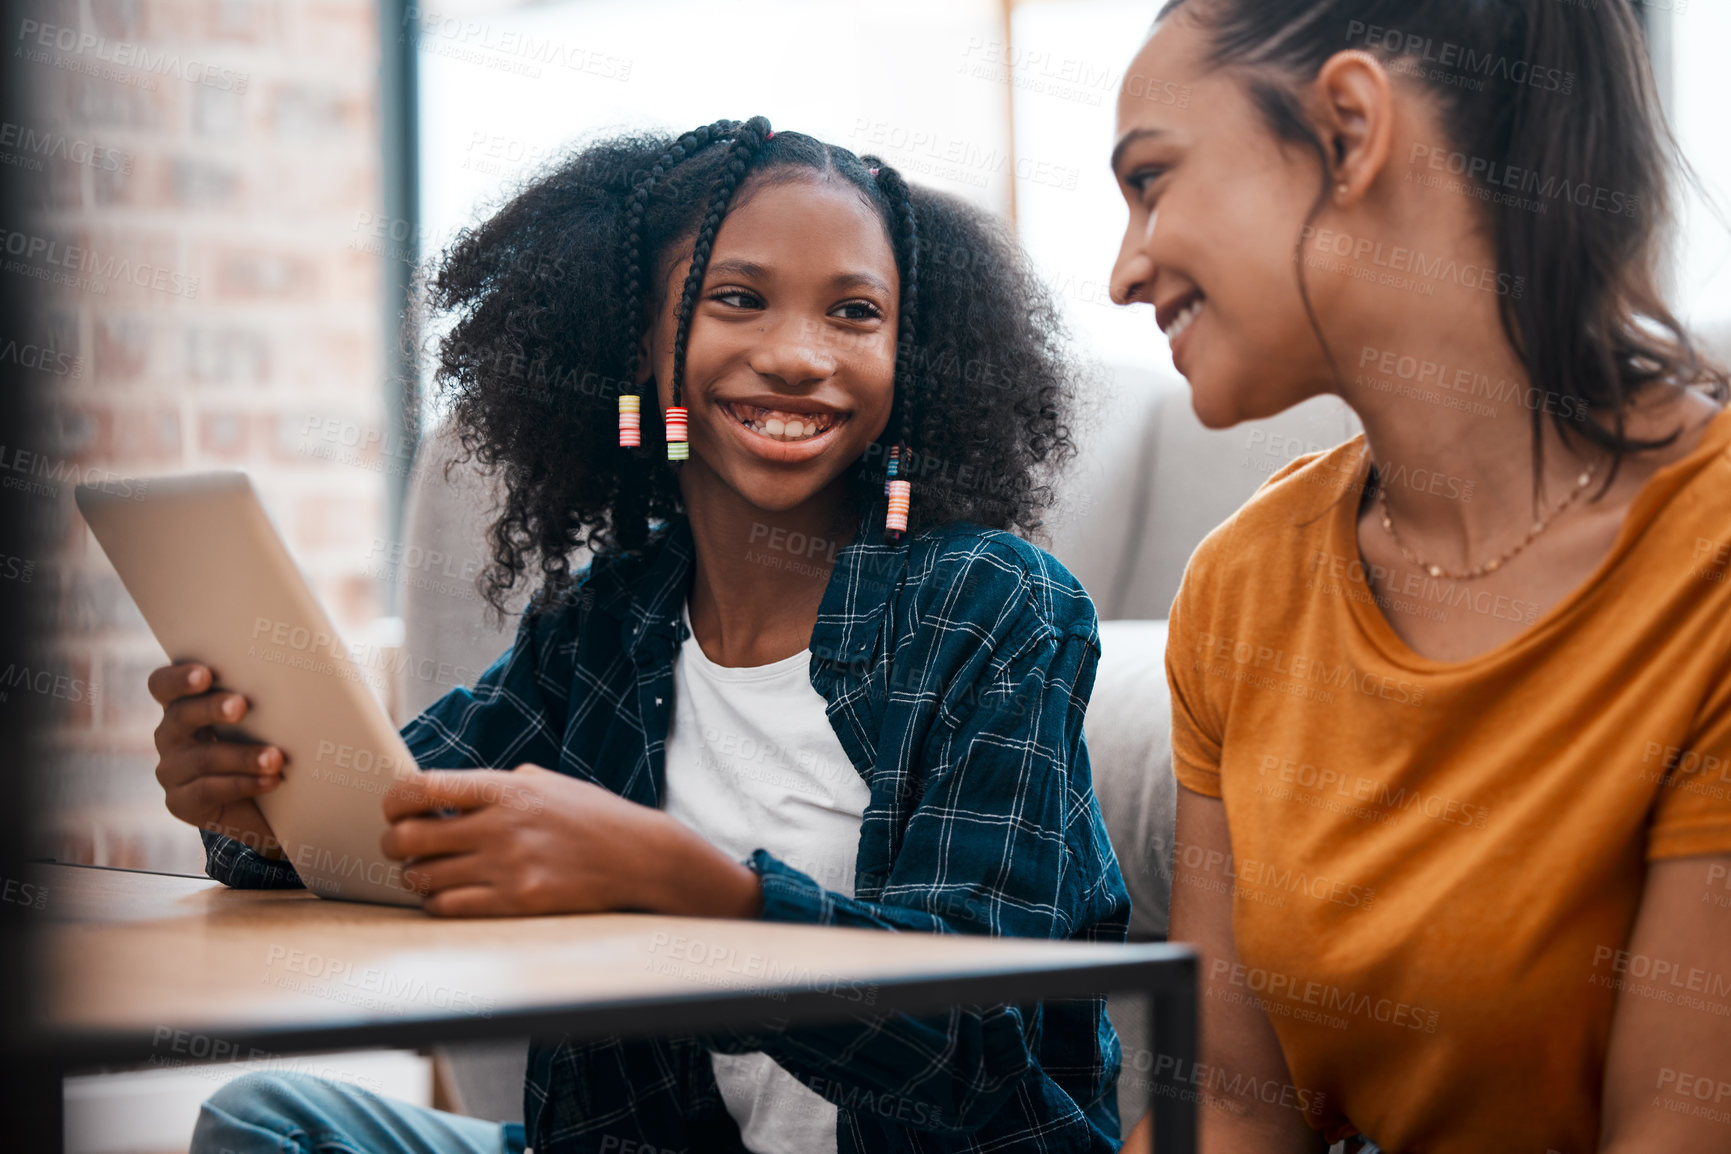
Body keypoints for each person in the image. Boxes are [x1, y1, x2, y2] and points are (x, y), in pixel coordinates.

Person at [149, 118, 1130, 1153]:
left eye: (855, 312)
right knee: (268, 1119)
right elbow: (393, 816)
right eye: (738, 299)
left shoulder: (991, 605)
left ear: (911, 360)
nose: (798, 356)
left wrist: (685, 882)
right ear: (635, 343)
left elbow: (976, 1038)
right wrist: (260, 802)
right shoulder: (606, 622)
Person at [1107, 2, 1730, 1152]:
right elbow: (1235, 1110)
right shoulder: (1241, 586)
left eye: (1152, 180)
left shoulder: (1712, 567)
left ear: (1348, 130)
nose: (1123, 269)